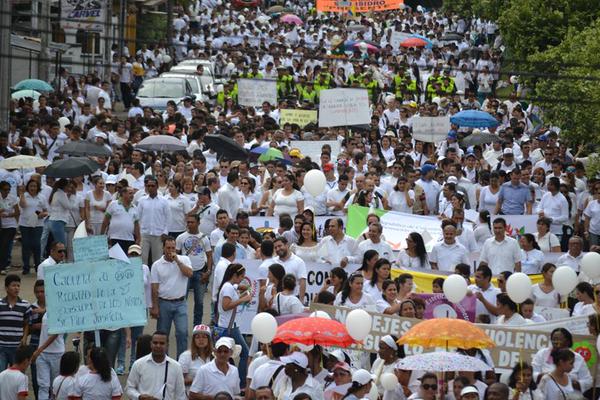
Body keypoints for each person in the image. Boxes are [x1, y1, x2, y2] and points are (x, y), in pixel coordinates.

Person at [150, 237, 193, 358]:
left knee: (182, 332)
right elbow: (154, 287)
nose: (171, 250)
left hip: (180, 302)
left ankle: (181, 360)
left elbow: (189, 274)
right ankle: (165, 359)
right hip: (164, 303)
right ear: (163, 248)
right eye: (168, 248)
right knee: (163, 334)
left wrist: (178, 261)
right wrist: (155, 307)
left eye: (173, 248)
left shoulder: (184, 259)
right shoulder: (157, 265)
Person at [215, 263, 252, 386]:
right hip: (228, 327)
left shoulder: (229, 286)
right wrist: (243, 300)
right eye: (242, 276)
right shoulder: (228, 288)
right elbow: (226, 306)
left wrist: (242, 292)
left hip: (228, 325)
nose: (243, 279)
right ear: (235, 275)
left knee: (226, 355)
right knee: (245, 353)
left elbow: (233, 294)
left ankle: (230, 380)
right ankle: (241, 383)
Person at [126, 331, 186, 400]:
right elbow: (129, 388)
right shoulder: (138, 364)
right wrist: (139, 396)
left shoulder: (176, 367)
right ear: (151, 344)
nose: (158, 346)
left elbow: (180, 395)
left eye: (162, 343)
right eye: (155, 343)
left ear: (167, 345)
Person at [176, 214, 213, 326]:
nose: (189, 224)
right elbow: (176, 255)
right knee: (182, 301)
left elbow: (209, 255)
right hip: (185, 273)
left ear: (198, 223)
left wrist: (208, 272)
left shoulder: (204, 238)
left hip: (200, 272)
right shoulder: (180, 238)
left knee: (200, 303)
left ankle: (197, 327)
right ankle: (181, 325)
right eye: (188, 222)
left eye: (192, 222)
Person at [532, 328, 592, 393]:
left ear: (567, 341)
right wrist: (545, 377)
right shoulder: (542, 353)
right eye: (553, 339)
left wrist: (567, 382)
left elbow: (588, 381)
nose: (555, 342)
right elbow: (532, 373)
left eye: (558, 339)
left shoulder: (577, 358)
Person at [32, 309, 65, 400]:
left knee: (55, 385)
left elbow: (56, 334)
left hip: (56, 353)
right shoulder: (47, 311)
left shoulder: (61, 312)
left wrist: (40, 349)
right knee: (43, 385)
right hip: (42, 354)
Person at [0, 275, 31, 372]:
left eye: (18, 285)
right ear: (6, 288)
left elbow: (26, 324)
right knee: (1, 373)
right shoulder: (0, 304)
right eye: (13, 285)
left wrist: (25, 337)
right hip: (1, 346)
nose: (16, 288)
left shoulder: (25, 305)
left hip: (17, 347)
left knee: (17, 374)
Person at [138, 176, 170, 266]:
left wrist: (165, 232)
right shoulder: (142, 201)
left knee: (157, 261)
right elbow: (138, 217)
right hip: (144, 234)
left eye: (152, 186)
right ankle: (144, 279)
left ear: (157, 187)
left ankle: (156, 279)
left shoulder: (164, 201)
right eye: (148, 186)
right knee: (142, 260)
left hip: (159, 234)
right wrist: (139, 233)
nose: (150, 188)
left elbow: (168, 218)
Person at [18, 179, 47, 275]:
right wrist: (21, 193)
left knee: (36, 245)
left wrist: (42, 214)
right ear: (28, 187)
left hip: (37, 224)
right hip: (25, 224)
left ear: (38, 187)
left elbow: (46, 211)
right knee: (26, 245)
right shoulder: (24, 196)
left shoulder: (41, 197)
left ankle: (37, 266)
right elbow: (23, 205)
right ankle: (26, 267)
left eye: (34, 186)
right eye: (31, 186)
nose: (33, 188)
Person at [101, 186, 140, 254]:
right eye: (130, 193)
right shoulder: (113, 204)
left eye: (133, 194)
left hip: (130, 239)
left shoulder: (135, 207)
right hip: (115, 238)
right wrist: (101, 236)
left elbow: (136, 225)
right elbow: (105, 221)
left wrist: (138, 238)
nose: (132, 196)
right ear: (123, 194)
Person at [179, 324, 213, 391]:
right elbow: (178, 381)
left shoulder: (214, 356)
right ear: (193, 340)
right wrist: (199, 380)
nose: (201, 340)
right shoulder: (185, 356)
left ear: (209, 340)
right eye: (197, 337)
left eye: (204, 337)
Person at [273, 237, 307, 301]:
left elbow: (302, 282)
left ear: (287, 245)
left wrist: (301, 300)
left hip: (293, 299)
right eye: (275, 247)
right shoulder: (273, 261)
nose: (278, 249)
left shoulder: (299, 261)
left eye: (280, 246)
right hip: (276, 299)